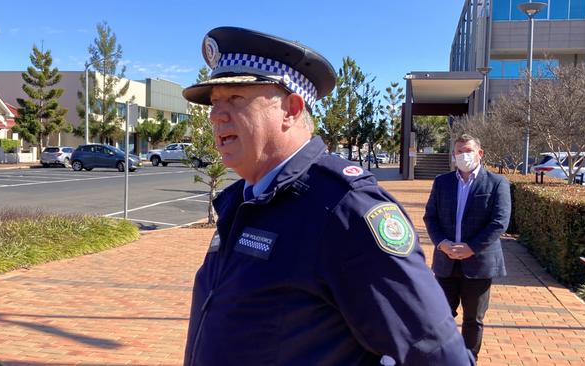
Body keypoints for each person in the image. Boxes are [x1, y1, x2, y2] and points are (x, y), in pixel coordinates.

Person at [182, 26, 475, 366]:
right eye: (215, 102)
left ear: (291, 109)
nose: (217, 115)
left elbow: (438, 354)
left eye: (236, 98)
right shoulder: (240, 200)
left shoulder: (344, 209)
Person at [423, 134, 511, 360]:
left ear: (480, 153)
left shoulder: (496, 183)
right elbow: (430, 217)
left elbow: (499, 222)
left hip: (479, 264)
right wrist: (442, 244)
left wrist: (471, 248)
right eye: (459, 151)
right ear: (453, 155)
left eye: (468, 150)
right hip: (446, 262)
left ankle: (468, 360)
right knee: (439, 316)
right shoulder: (442, 182)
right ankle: (442, 359)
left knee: (473, 320)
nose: (464, 155)